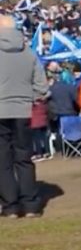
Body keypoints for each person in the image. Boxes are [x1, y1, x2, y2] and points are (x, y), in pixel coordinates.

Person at [0, 15, 48, 218]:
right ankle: (30, 204)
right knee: (24, 158)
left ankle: (10, 205)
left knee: (3, 161)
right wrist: (30, 99)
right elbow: (42, 86)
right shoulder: (29, 53)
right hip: (23, 109)